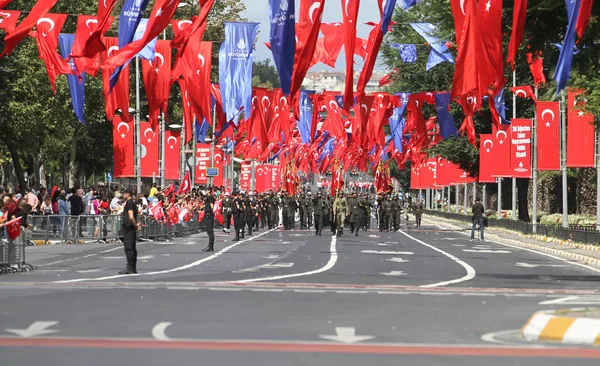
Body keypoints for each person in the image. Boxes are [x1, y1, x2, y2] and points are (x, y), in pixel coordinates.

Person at [119, 188, 139, 274]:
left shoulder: (130, 203)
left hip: (129, 227)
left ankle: (130, 267)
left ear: (128, 194)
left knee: (129, 247)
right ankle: (132, 267)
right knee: (132, 247)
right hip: (130, 228)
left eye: (124, 194)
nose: (123, 195)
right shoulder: (133, 203)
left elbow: (131, 216)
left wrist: (135, 224)